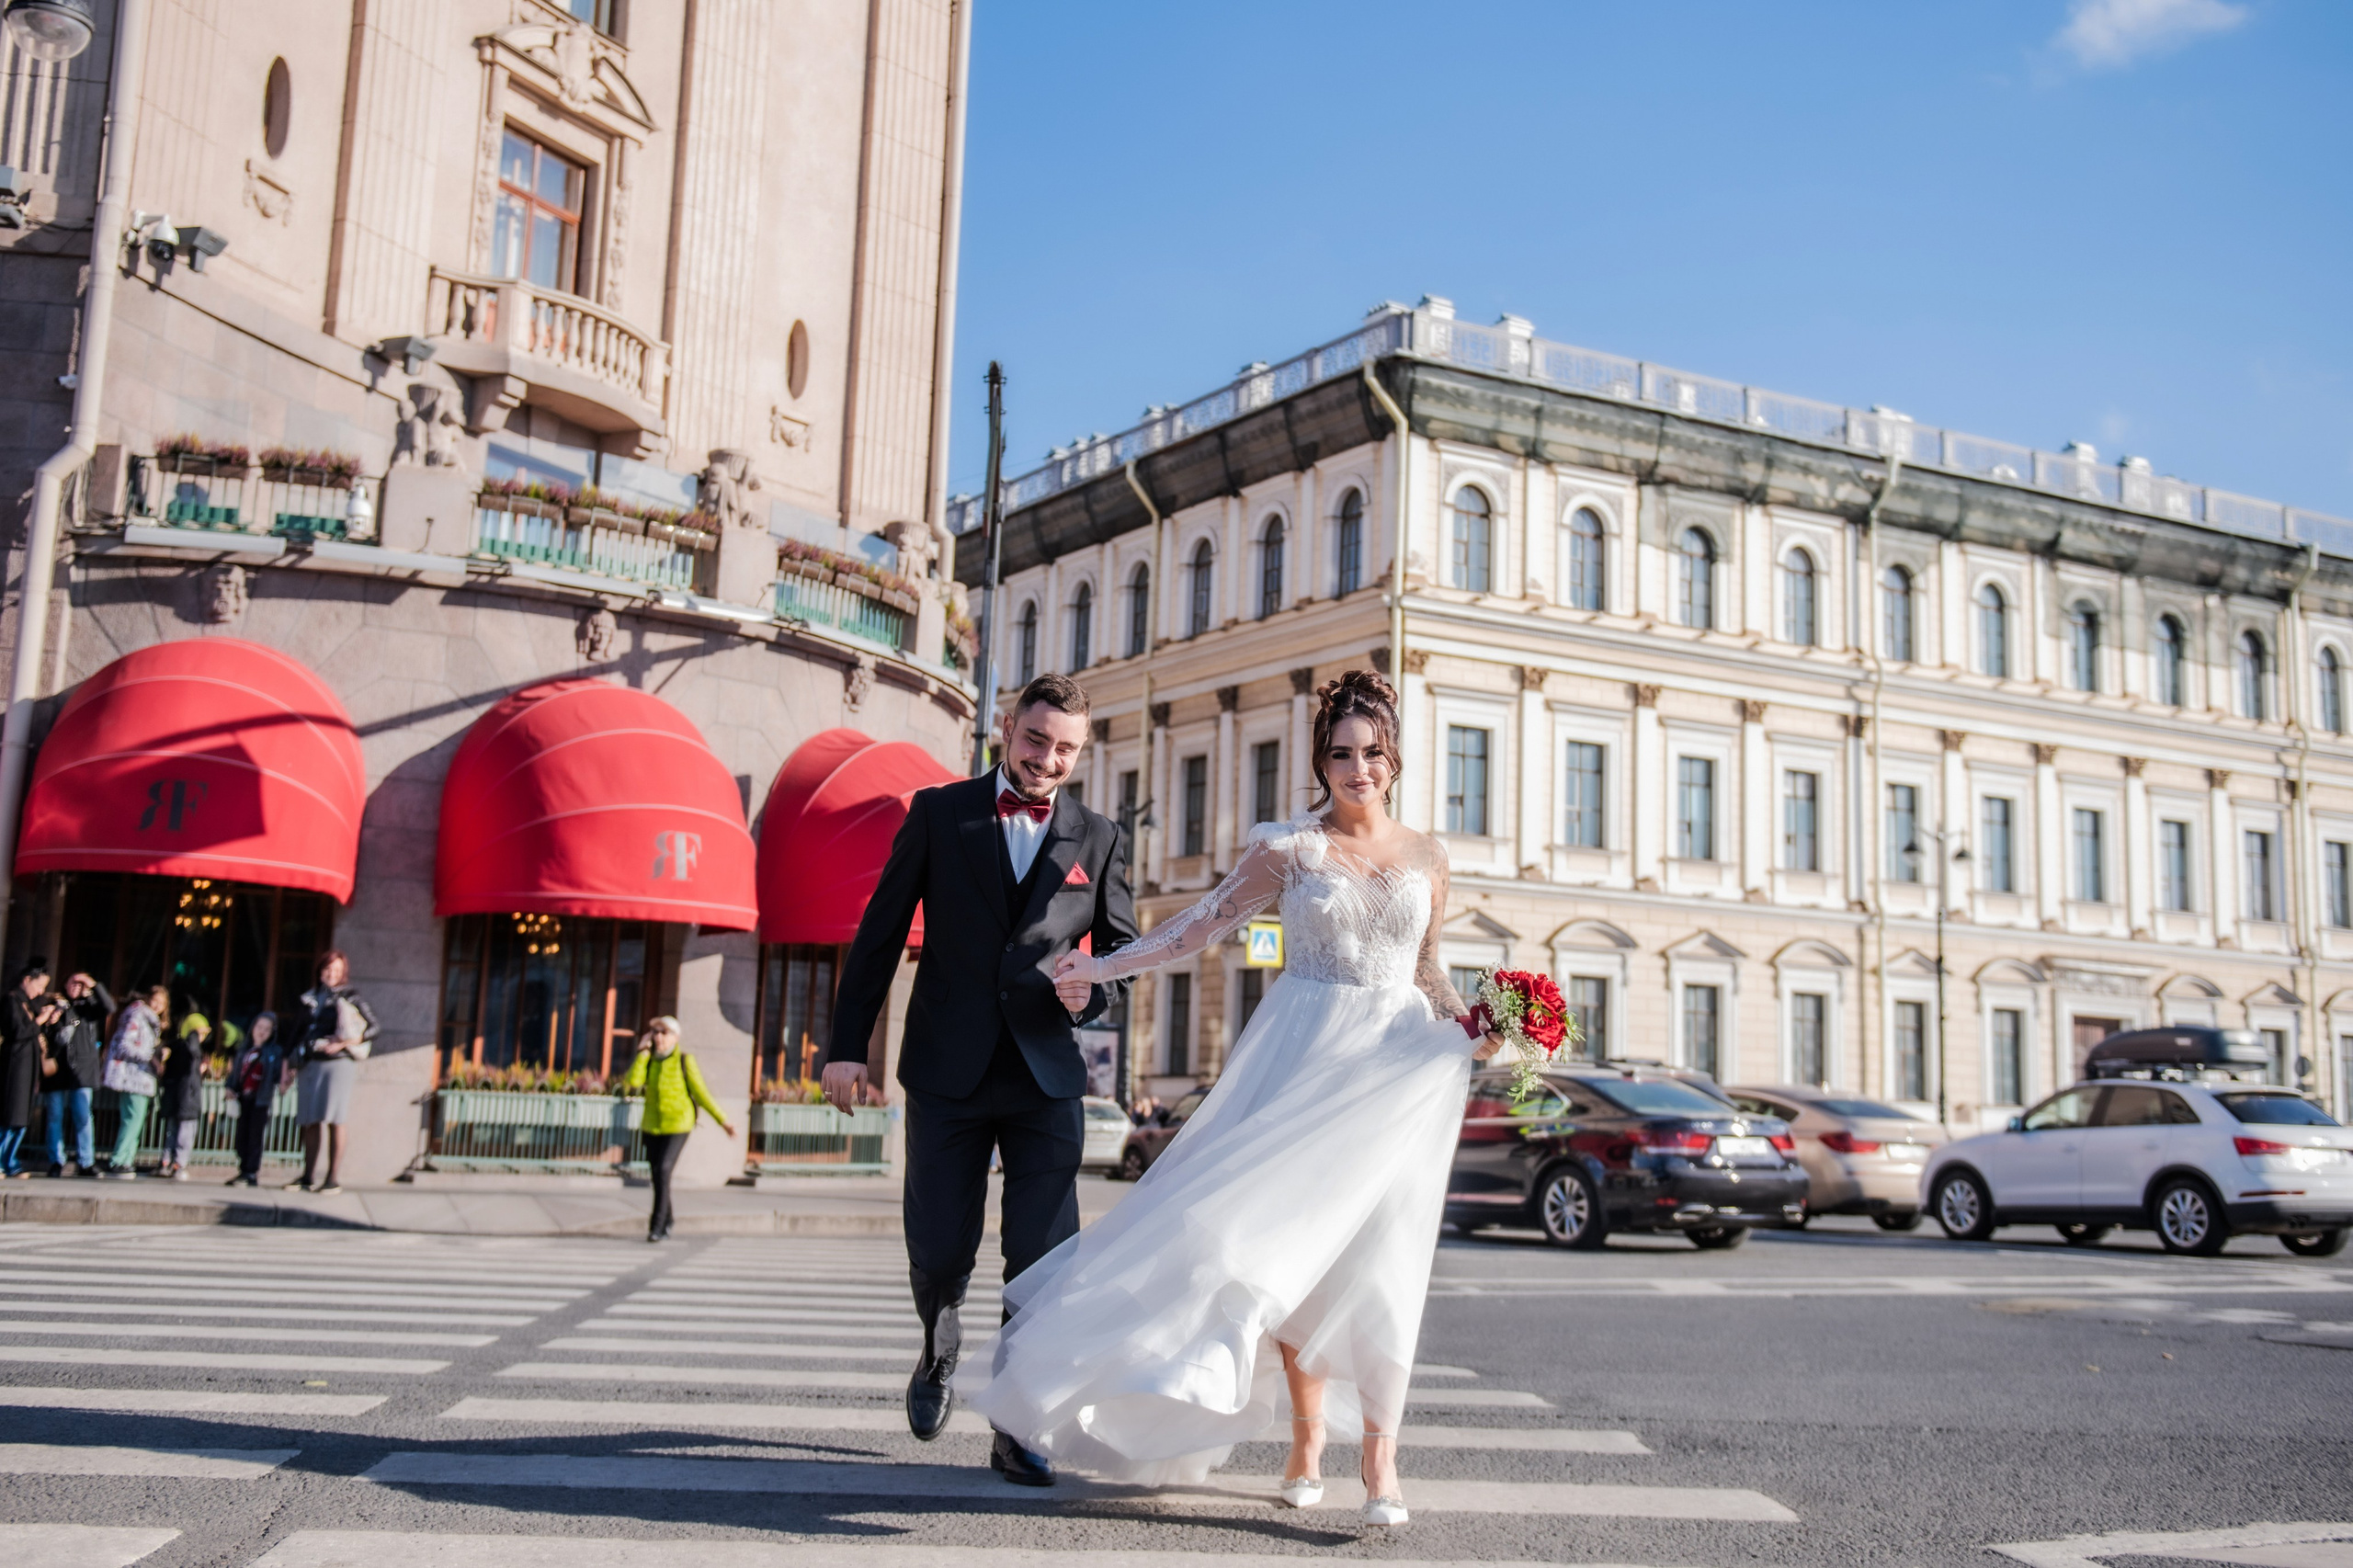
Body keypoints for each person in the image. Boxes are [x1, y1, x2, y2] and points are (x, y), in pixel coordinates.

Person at [967, 671, 1506, 1528]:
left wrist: (1477, 1023)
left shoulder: (1428, 858)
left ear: (1395, 758)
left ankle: (1382, 1465)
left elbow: (1425, 967)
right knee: (1278, 1263)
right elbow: (1199, 925)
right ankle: (1305, 1445)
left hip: (1399, 1073)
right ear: (1321, 761)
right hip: (1303, 1064)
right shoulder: (1289, 850)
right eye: (1341, 754)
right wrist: (1101, 966)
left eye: (1372, 753)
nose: (1358, 769)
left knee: (1383, 1264)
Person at [821, 671, 1136, 1487]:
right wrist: (847, 1046)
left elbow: (1123, 954)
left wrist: (1096, 990)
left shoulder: (1100, 837)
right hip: (945, 1070)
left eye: (1065, 749)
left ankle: (1016, 1423)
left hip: (1045, 1076)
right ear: (1006, 727)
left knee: (1044, 1260)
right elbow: (880, 933)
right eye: (1035, 740)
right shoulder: (939, 813)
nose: (1047, 760)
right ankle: (939, 1339)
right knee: (937, 1245)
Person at [621, 1016, 733, 1242]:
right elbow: (633, 1083)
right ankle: (668, 1219)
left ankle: (656, 1226)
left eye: (664, 1032)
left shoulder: (684, 1060)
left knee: (663, 1170)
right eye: (655, 1032)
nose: (659, 1037)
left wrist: (723, 1120)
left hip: (678, 1124)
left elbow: (701, 1092)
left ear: (676, 1037)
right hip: (652, 1126)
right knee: (657, 1176)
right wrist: (642, 1053)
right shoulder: (649, 1060)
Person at [291, 950, 376, 1195]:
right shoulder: (309, 998)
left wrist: (343, 1043)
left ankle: (332, 1179)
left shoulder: (351, 996)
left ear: (343, 973)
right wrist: (289, 1063)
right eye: (328, 969)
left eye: (337, 970)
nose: (332, 974)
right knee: (310, 1119)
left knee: (335, 1118)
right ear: (320, 971)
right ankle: (307, 1177)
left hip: (338, 1064)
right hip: (311, 1062)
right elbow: (296, 1031)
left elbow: (374, 1027)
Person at [43, 972, 111, 1177]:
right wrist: (54, 1016)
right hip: (57, 1068)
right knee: (54, 1116)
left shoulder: (88, 1008)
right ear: (64, 984)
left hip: (82, 1070)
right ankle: (56, 1161)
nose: (75, 986)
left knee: (83, 1116)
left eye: (80, 984)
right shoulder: (54, 1005)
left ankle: (86, 1162)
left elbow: (109, 1007)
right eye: (72, 982)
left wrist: (93, 984)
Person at [2, 960, 63, 1178]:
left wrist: (50, 1019)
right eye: (39, 986)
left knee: (22, 1118)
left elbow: (40, 1031)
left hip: (30, 1067)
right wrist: (39, 1020)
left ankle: (10, 1161)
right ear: (27, 980)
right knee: (10, 1115)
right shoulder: (11, 1000)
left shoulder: (31, 1002)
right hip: (15, 1066)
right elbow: (17, 1032)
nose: (41, 992)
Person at [101, 986, 170, 1177]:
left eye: (162, 1003)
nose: (158, 1006)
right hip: (133, 1077)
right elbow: (125, 1045)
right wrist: (151, 1057)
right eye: (155, 1000)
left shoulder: (148, 1019)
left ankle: (126, 1160)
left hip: (139, 1077)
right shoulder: (138, 1016)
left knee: (134, 1120)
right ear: (148, 998)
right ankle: (119, 1160)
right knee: (132, 1119)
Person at [222, 1011, 287, 1187]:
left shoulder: (274, 1052)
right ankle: (243, 1169)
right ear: (253, 1028)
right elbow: (235, 1073)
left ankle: (251, 1172)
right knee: (241, 1135)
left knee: (255, 1136)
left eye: (267, 1029)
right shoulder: (244, 1050)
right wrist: (230, 1087)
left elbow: (277, 1074)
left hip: (261, 1099)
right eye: (259, 1027)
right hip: (243, 1098)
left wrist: (285, 1078)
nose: (262, 1032)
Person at [154, 1008, 212, 1180]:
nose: (203, 1037)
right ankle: (178, 1165)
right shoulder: (190, 1049)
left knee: (172, 1131)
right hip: (187, 1099)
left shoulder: (175, 1046)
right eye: (201, 1033)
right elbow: (191, 1057)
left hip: (175, 1098)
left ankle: (166, 1162)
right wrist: (194, 1035)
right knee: (185, 1134)